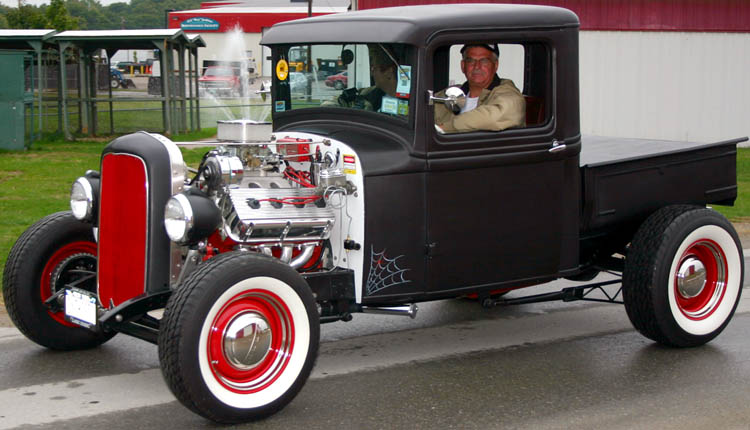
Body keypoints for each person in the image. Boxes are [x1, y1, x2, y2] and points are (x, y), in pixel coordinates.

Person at [435, 44, 526, 133]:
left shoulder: (508, 92)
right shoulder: (450, 93)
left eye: (484, 61)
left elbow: (493, 118)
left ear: (495, 65)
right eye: (471, 61)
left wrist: (445, 128)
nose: (477, 66)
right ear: (463, 66)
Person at [323, 45, 398, 111]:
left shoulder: (408, 104)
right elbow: (331, 104)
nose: (372, 73)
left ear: (389, 72)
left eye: (374, 68)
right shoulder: (370, 93)